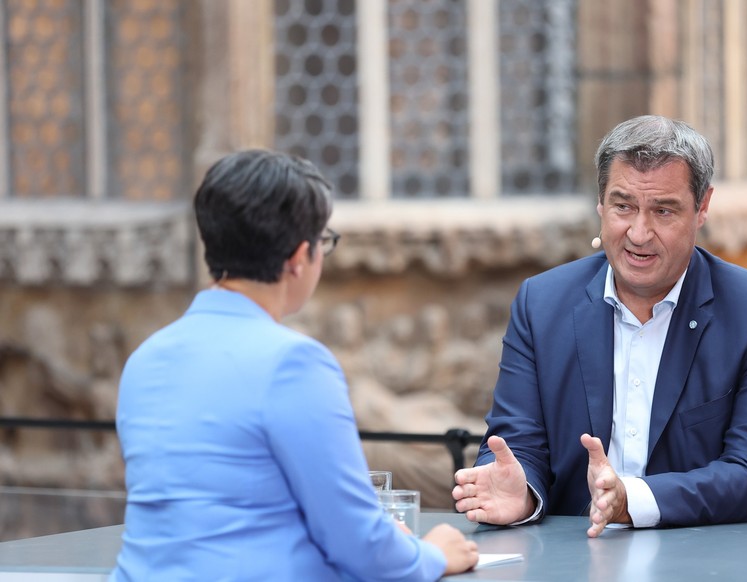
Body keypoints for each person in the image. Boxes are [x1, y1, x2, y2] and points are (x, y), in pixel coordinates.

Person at [111, 150, 478, 580]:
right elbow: (360, 543)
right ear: (299, 257)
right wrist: (430, 553)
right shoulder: (294, 364)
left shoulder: (146, 358)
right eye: (325, 242)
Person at [452, 115, 747, 538]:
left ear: (702, 207)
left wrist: (630, 501)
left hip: (721, 560)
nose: (639, 233)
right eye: (623, 206)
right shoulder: (541, 303)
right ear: (600, 204)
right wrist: (522, 492)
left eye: (663, 210)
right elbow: (518, 442)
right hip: (580, 560)